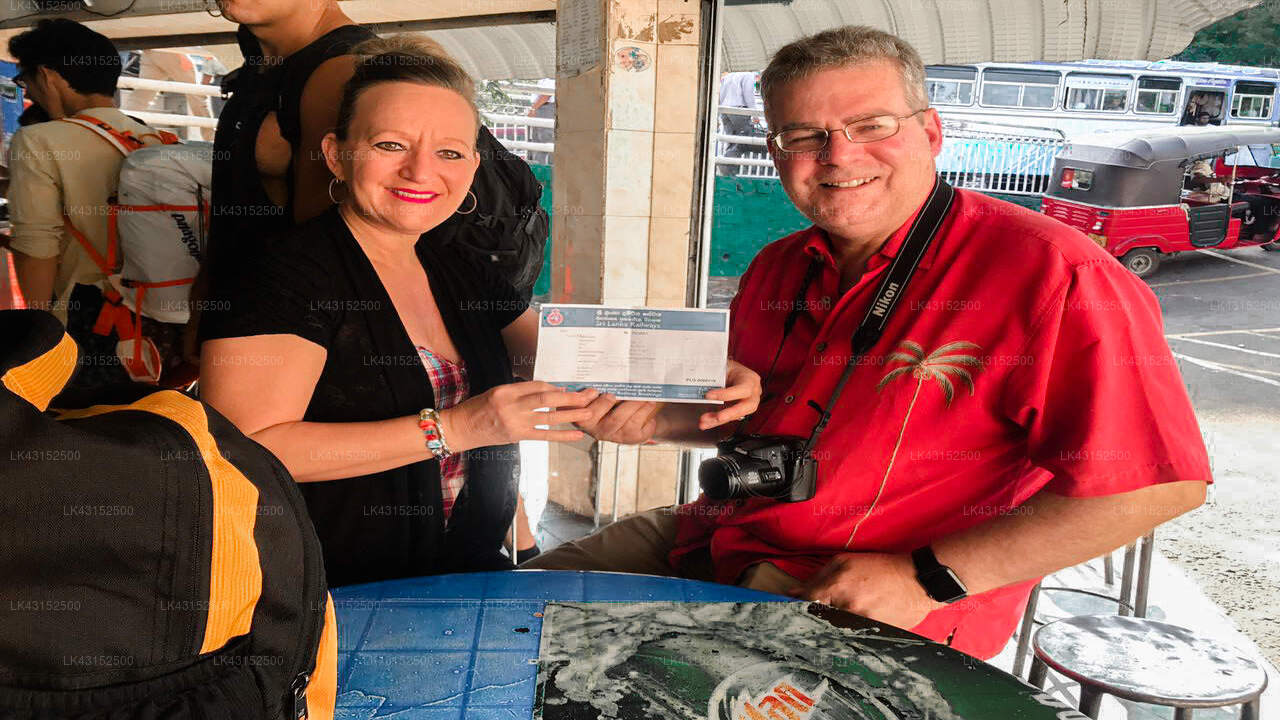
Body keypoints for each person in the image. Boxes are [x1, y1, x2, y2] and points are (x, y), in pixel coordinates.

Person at [527, 25, 1211, 661]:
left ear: (932, 131)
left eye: (870, 126)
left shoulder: (1054, 274)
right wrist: (661, 423)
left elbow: (1155, 487)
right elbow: (762, 425)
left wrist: (928, 578)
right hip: (714, 538)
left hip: (867, 602)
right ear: (776, 152)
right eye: (803, 136)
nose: (838, 156)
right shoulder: (778, 266)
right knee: (503, 609)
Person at [198, 37, 734, 586]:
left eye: (449, 152)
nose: (420, 171)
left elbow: (572, 367)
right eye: (389, 145)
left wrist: (706, 378)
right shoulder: (283, 274)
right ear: (337, 153)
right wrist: (455, 428)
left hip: (464, 580)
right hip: (323, 595)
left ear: (473, 164)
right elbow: (242, 450)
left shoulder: (457, 267)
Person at [5, 19, 184, 405]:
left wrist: (39, 338)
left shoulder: (39, 140)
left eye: (27, 81)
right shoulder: (159, 138)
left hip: (88, 324)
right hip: (165, 330)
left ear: (49, 76)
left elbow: (37, 246)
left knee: (76, 432)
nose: (30, 93)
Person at [717, 71, 763, 176]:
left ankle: (727, 169)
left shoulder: (728, 76)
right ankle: (730, 167)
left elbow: (720, 94)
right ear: (758, 77)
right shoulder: (749, 76)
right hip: (739, 110)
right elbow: (748, 95)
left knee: (732, 140)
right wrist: (754, 113)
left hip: (725, 111)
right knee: (743, 140)